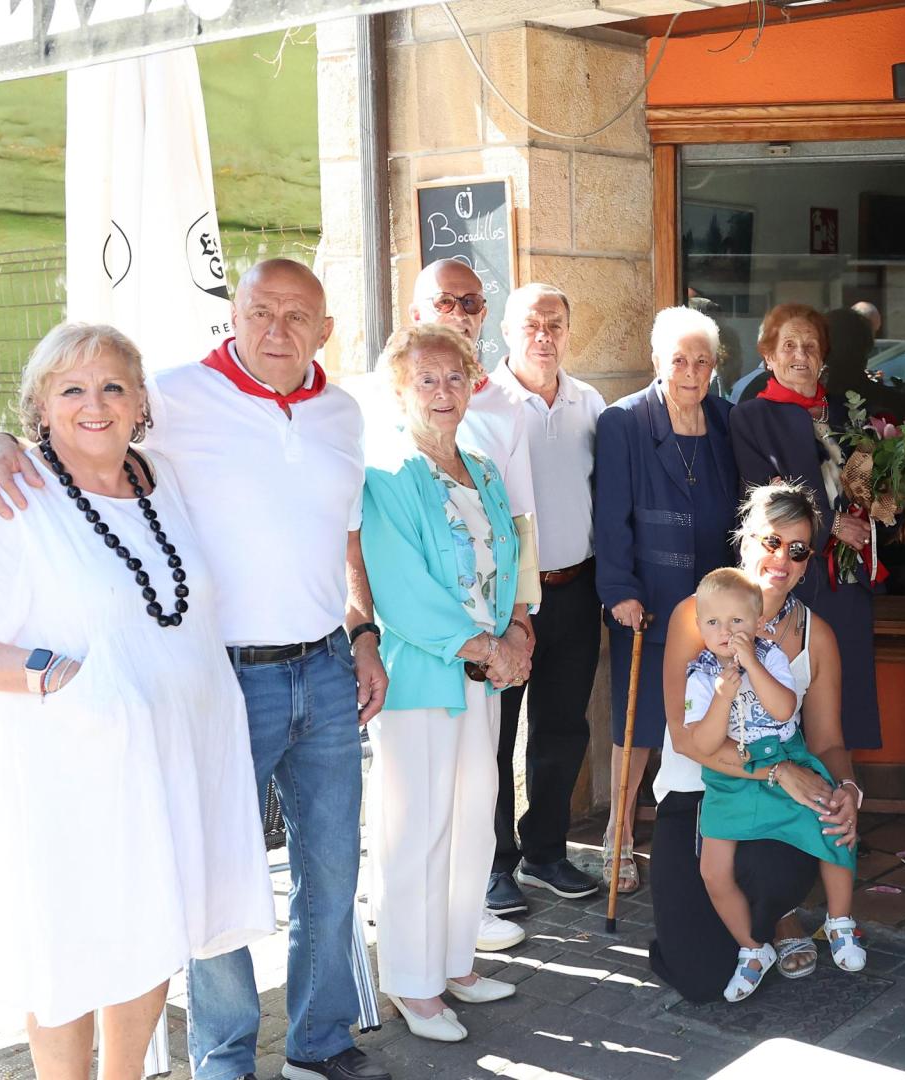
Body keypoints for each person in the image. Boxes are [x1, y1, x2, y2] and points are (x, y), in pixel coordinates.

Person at [0, 260, 393, 1080]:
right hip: (222, 678)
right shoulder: (171, 394)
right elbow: (79, 432)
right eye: (259, 310)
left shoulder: (342, 412)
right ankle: (226, 1054)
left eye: (297, 316)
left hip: (328, 665)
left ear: (325, 330)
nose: (275, 329)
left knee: (333, 867)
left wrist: (363, 629)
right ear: (232, 314)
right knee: (213, 872)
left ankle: (319, 1038)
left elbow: (343, 536)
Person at [0, 324, 275, 1080]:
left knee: (152, 930)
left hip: (175, 761)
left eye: (113, 385)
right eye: (71, 388)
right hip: (73, 776)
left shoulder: (163, 478)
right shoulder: (10, 496)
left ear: (141, 401)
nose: (96, 404)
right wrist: (56, 674)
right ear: (39, 407)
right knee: (70, 950)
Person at [358, 325, 527, 1042]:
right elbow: (397, 585)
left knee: (470, 817)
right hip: (424, 677)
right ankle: (411, 982)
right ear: (401, 391)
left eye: (455, 378)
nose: (442, 392)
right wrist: (487, 647)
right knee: (417, 829)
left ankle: (456, 960)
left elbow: (513, 554)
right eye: (425, 380)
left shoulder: (482, 467)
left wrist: (519, 629)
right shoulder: (388, 474)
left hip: (482, 678)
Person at [648, 483, 862, 1000]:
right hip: (695, 795)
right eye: (770, 541)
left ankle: (779, 915)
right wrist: (775, 770)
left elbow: (829, 740)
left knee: (778, 860)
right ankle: (744, 931)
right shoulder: (696, 618)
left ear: (808, 562)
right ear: (745, 540)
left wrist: (849, 789)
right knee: (698, 979)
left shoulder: (818, 637)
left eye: (797, 549)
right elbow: (685, 738)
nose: (781, 559)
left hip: (772, 798)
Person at [402, 259, 543, 953]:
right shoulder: (387, 421)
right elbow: (383, 556)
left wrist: (519, 622)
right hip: (426, 656)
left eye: (472, 302)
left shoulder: (500, 414)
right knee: (418, 816)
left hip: (492, 643)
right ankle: (416, 956)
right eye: (444, 300)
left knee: (474, 790)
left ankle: (462, 935)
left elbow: (518, 527)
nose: (459, 311)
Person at [595, 305, 739, 894]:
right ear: (657, 362)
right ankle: (618, 836)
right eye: (679, 360)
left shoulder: (727, 421)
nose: (691, 372)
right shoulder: (624, 423)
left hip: (717, 607)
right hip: (650, 602)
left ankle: (707, 834)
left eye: (702, 362)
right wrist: (619, 591)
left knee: (712, 715)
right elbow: (610, 516)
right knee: (640, 728)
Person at [482, 284, 610, 914]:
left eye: (555, 323)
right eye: (531, 324)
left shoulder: (589, 401)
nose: (543, 335)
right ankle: (496, 863)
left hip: (575, 588)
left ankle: (546, 850)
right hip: (507, 603)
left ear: (567, 330)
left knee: (563, 728)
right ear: (508, 330)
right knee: (498, 736)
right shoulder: (483, 403)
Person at [682, 567, 861, 1001]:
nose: (726, 633)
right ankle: (752, 948)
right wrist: (723, 696)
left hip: (784, 756)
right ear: (700, 627)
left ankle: (840, 921)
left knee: (831, 820)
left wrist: (753, 666)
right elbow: (702, 743)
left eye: (737, 622)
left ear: (758, 623)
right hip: (732, 778)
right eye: (713, 624)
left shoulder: (773, 657)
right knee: (713, 870)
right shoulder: (701, 675)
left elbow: (784, 710)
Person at [730, 303, 882, 751]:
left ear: (823, 357)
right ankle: (794, 801)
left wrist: (879, 506)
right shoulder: (751, 417)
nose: (800, 355)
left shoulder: (847, 413)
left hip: (848, 581)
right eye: (788, 346)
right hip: (792, 579)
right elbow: (761, 500)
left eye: (810, 346)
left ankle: (840, 797)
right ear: (769, 357)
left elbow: (870, 483)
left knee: (842, 700)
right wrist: (833, 524)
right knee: (789, 695)